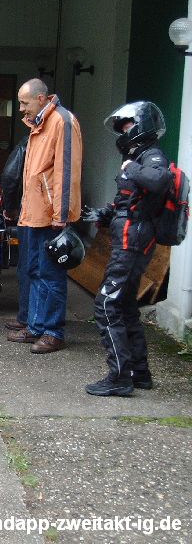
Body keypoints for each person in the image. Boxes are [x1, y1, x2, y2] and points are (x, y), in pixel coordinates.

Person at [82, 101, 171, 396]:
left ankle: (119, 377)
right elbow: (130, 200)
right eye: (121, 128)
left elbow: (159, 181)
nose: (123, 132)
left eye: (128, 126)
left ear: (143, 126)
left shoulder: (152, 156)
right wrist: (107, 214)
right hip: (130, 237)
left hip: (133, 241)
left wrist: (131, 168)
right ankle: (139, 372)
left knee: (106, 304)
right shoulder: (140, 156)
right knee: (125, 304)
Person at [7, 79, 82, 354]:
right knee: (35, 271)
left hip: (51, 216)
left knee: (51, 275)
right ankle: (36, 326)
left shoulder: (62, 121)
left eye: (24, 103)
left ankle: (53, 332)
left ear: (41, 99)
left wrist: (61, 215)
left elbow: (67, 171)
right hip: (34, 214)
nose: (21, 109)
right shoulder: (39, 124)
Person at [0, 135, 30, 332]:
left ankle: (29, 318)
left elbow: (10, 176)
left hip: (31, 213)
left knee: (29, 268)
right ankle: (29, 318)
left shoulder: (29, 141)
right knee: (35, 269)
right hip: (45, 214)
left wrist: (9, 207)